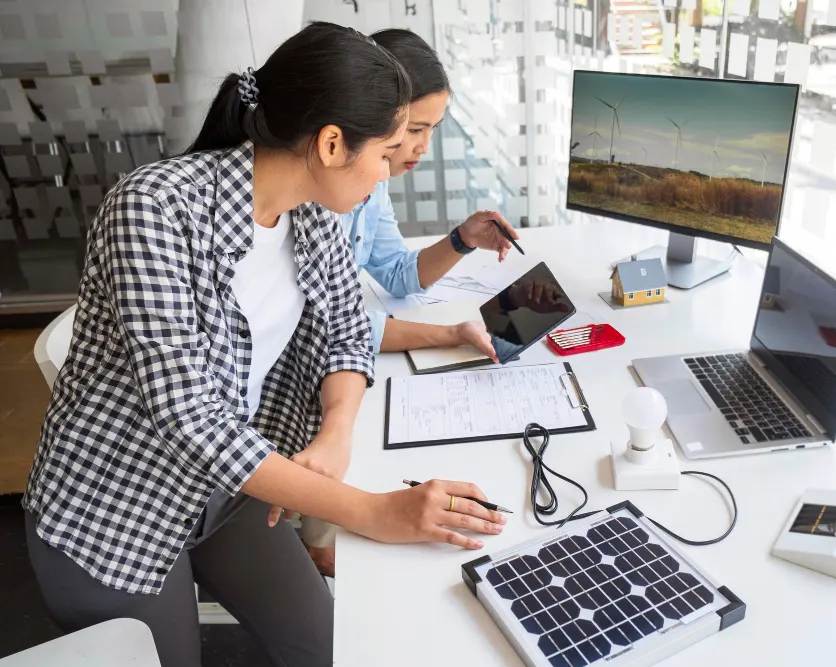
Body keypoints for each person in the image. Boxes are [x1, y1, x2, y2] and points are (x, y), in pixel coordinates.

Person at [21, 23, 505, 667]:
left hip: (231, 488)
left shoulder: (316, 212)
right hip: (118, 511)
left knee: (328, 643)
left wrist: (336, 434)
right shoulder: (152, 209)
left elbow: (345, 328)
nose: (391, 170)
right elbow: (189, 418)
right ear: (332, 143)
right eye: (386, 153)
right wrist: (371, 511)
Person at [298, 28, 520, 576]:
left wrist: (463, 239)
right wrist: (446, 335)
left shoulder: (369, 184)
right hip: (300, 402)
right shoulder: (316, 196)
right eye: (412, 129)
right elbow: (329, 329)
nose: (420, 147)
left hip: (336, 386)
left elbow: (395, 275)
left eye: (430, 130)